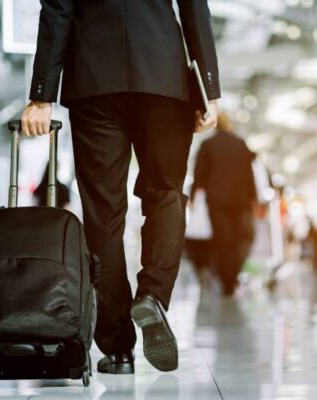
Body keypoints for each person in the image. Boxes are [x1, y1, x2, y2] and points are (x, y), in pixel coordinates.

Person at [20, 0, 220, 374]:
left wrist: (42, 95)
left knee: (103, 213)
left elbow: (59, 9)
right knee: (165, 194)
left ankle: (116, 348)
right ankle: (152, 295)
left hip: (94, 81)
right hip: (163, 76)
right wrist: (208, 86)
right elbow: (194, 6)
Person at [192, 113, 256, 296]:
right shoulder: (240, 144)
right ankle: (233, 276)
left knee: (222, 240)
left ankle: (226, 279)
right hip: (240, 201)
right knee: (237, 239)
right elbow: (249, 173)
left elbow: (199, 172)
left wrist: (195, 196)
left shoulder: (208, 145)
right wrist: (253, 197)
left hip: (217, 200)